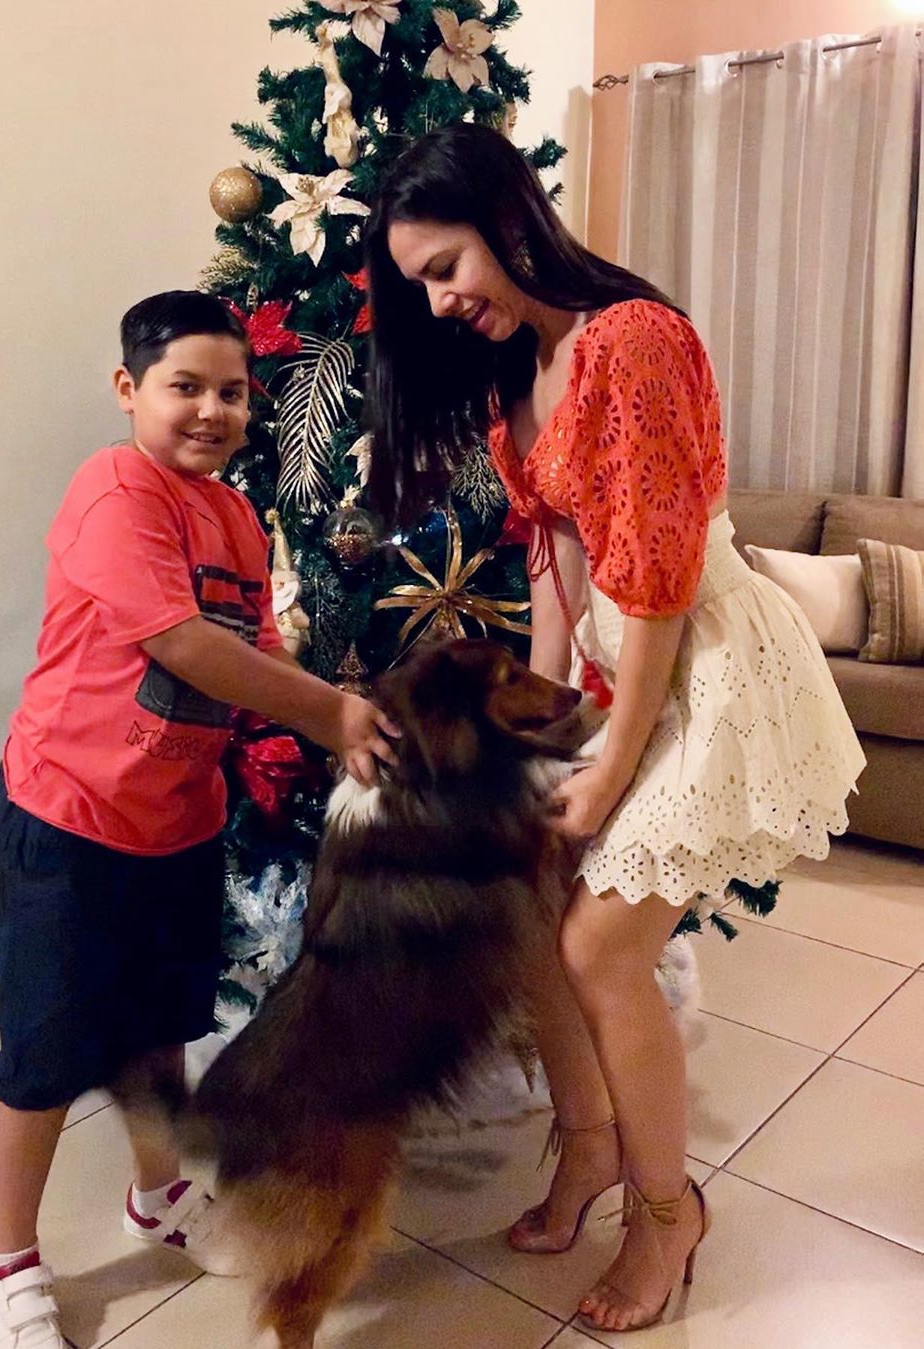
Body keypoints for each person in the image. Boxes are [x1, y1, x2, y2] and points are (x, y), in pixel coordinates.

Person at [364, 124, 864, 1334]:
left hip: (705, 667)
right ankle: (588, 1144)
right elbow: (556, 564)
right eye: (419, 284)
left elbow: (656, 580)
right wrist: (540, 728)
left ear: (507, 215)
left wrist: (612, 762)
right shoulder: (519, 372)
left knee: (599, 949)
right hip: (626, 665)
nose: (440, 301)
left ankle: (666, 1211)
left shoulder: (629, 340)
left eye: (446, 267)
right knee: (535, 893)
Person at [0, 290, 397, 1349]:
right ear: (129, 389)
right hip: (68, 823)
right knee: (42, 1051)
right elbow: (188, 645)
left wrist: (329, 728)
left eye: (234, 392)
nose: (213, 410)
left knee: (160, 1026)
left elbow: (256, 649)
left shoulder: (237, 517)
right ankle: (7, 1260)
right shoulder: (114, 490)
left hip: (178, 827)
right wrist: (333, 712)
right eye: (186, 387)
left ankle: (157, 1195)